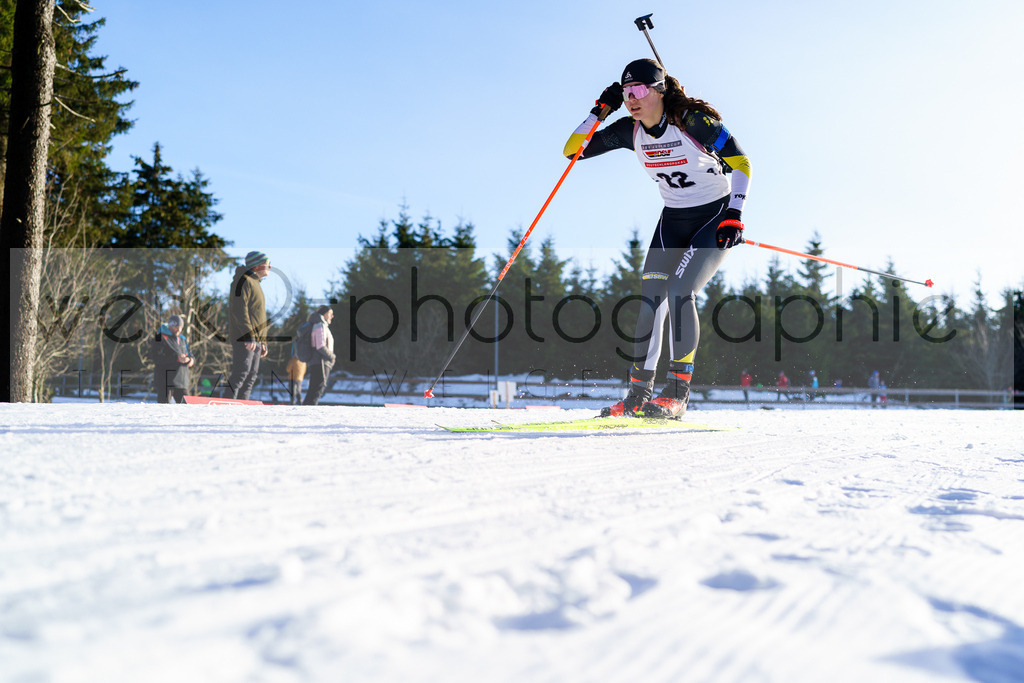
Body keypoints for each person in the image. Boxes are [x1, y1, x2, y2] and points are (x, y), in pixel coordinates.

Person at [564, 58, 752, 419]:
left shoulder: (694, 123)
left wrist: (734, 214)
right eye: (625, 92)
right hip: (673, 220)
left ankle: (678, 393)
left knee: (681, 292)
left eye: (638, 90)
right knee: (651, 300)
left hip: (714, 217)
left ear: (659, 90)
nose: (631, 98)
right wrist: (598, 112)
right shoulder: (627, 130)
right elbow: (573, 151)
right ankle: (637, 395)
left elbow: (743, 163)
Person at [227, 251, 270, 400]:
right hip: (245, 338)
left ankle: (241, 410)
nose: (270, 267)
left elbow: (257, 316)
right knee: (241, 374)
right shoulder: (242, 280)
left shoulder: (256, 283)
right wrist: (248, 336)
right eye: (267, 263)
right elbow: (239, 310)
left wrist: (262, 341)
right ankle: (224, 409)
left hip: (255, 340)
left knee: (251, 377)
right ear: (257, 265)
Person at [150, 314, 194, 404]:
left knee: (187, 409)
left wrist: (190, 360)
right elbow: (156, 358)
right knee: (164, 411)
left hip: (181, 381)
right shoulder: (159, 337)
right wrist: (176, 358)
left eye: (180, 327)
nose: (178, 329)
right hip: (165, 381)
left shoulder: (183, 339)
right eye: (176, 327)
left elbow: (191, 355)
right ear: (170, 326)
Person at [303, 305, 336, 406]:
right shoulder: (319, 325)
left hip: (320, 361)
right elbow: (320, 345)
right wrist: (332, 356)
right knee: (318, 387)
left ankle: (307, 409)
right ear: (325, 314)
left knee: (316, 387)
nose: (332, 316)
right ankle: (309, 410)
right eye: (330, 314)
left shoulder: (322, 325)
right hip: (320, 361)